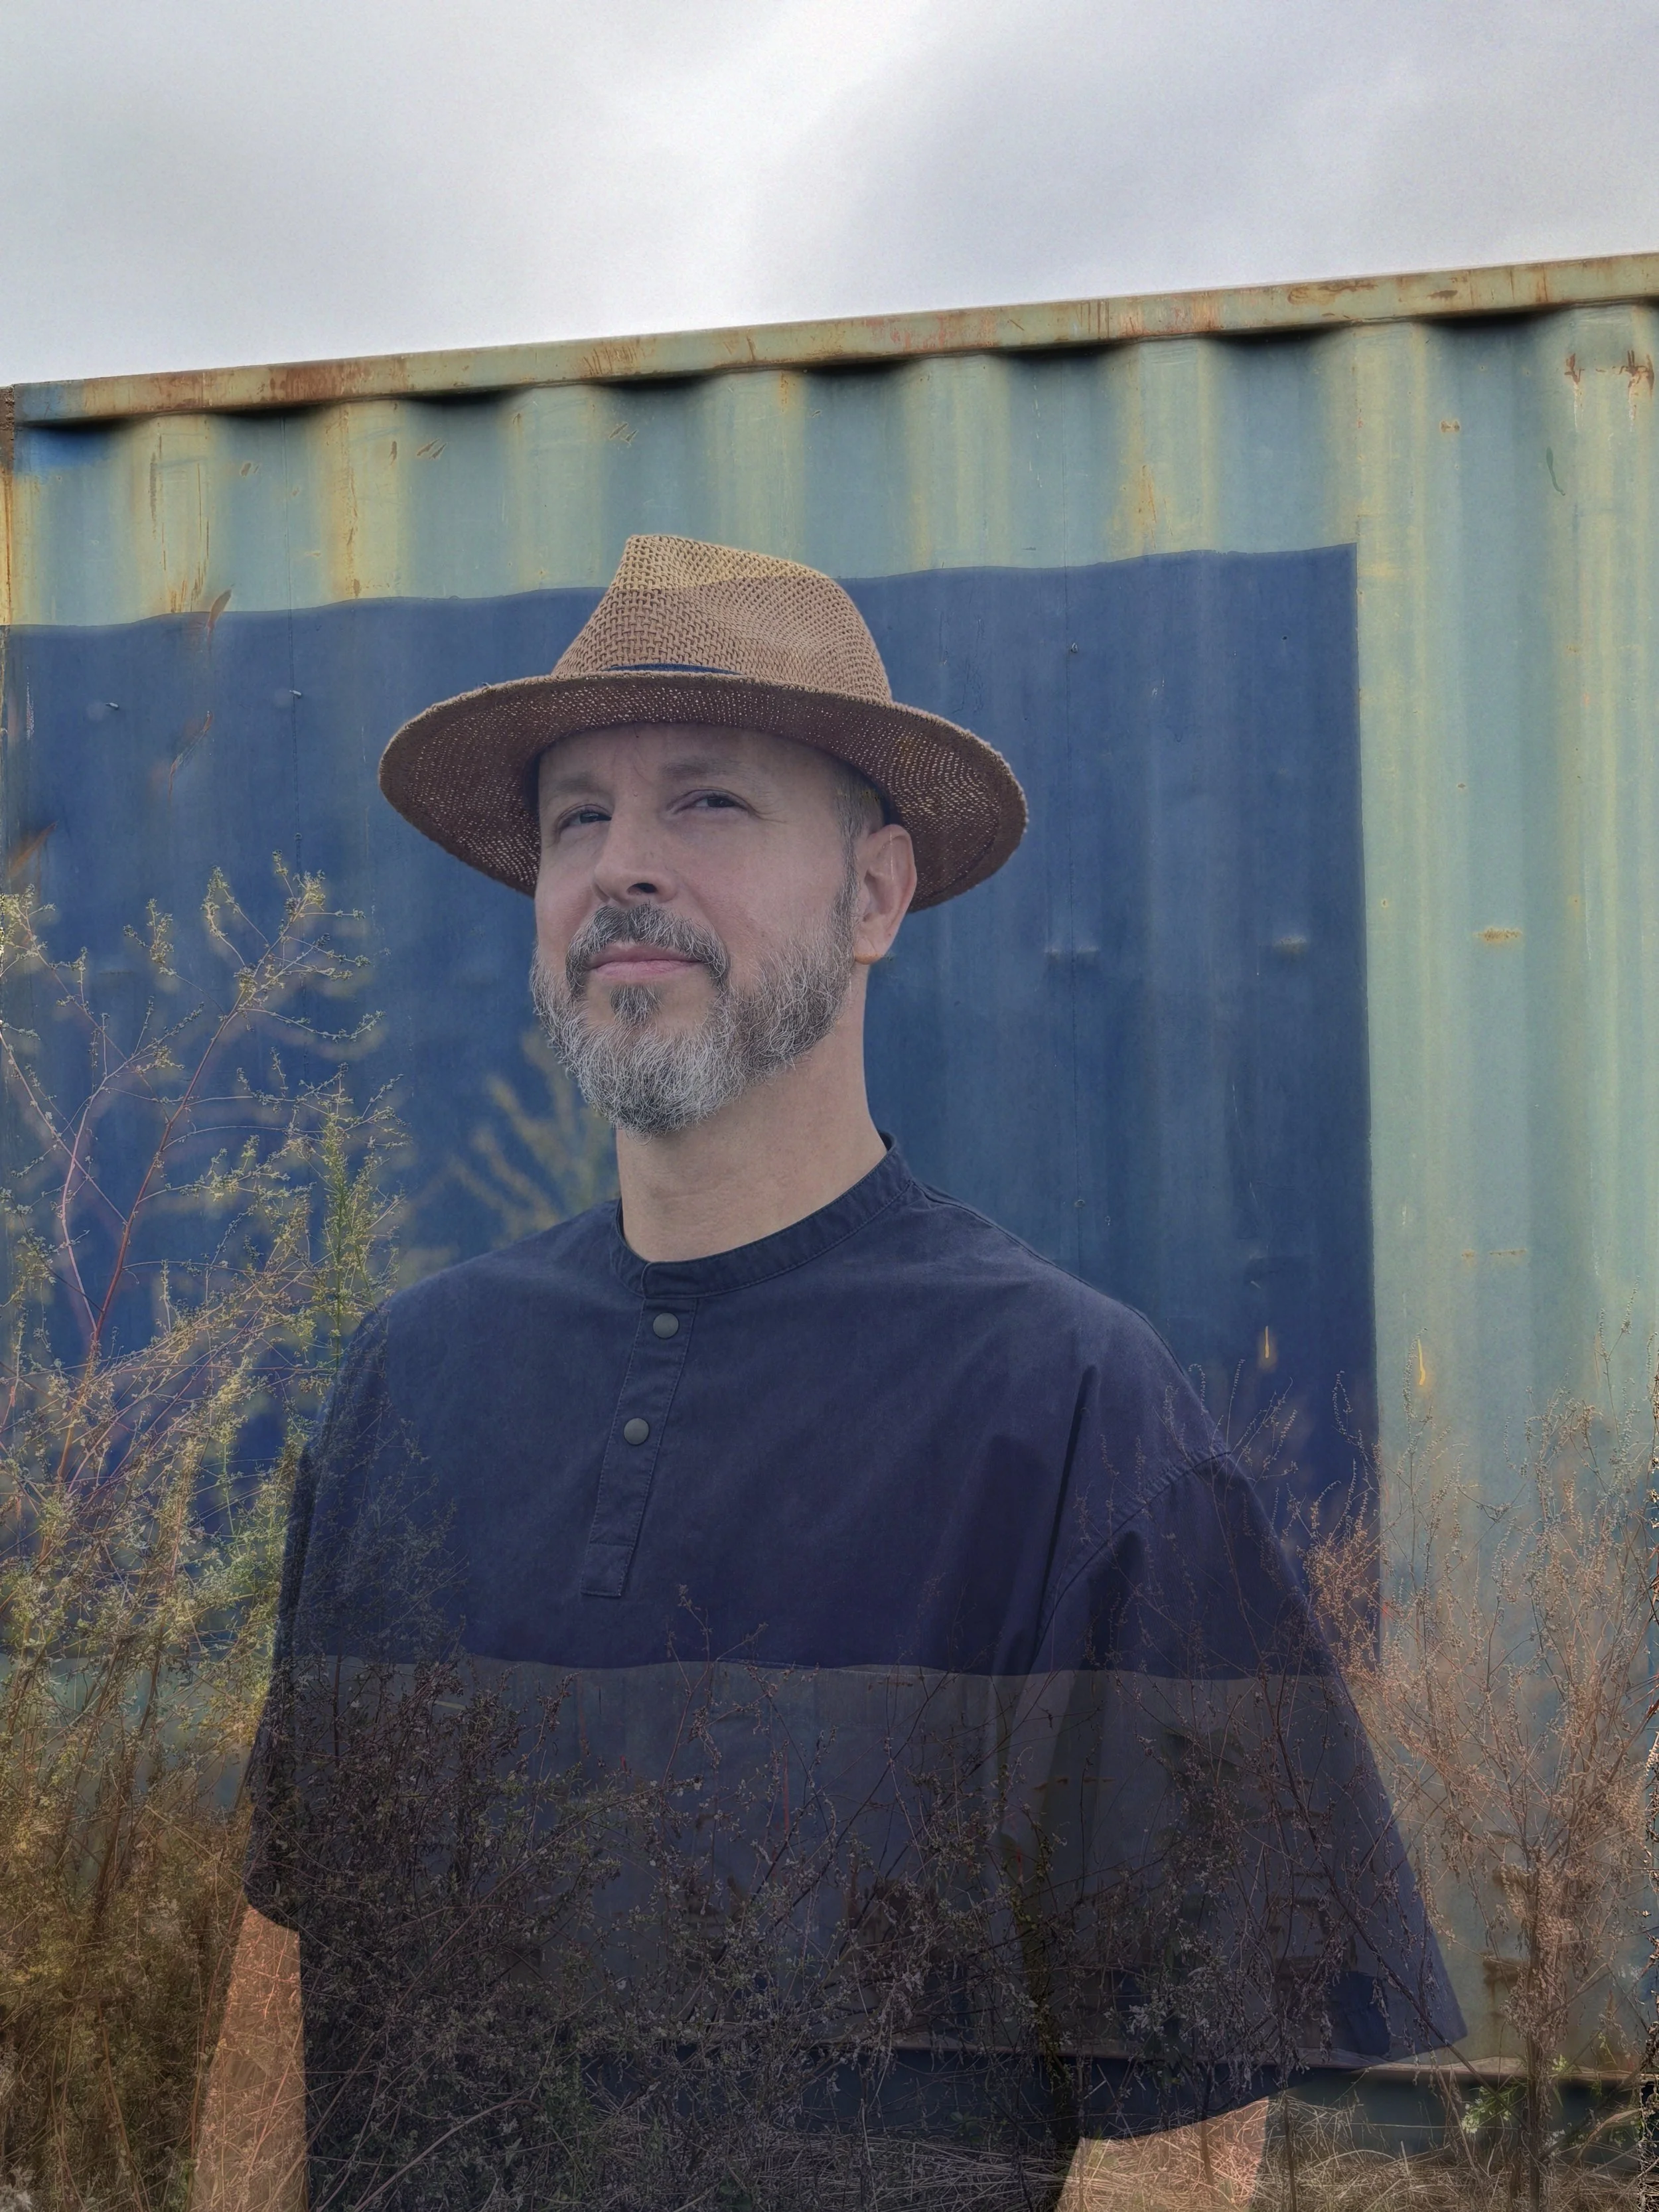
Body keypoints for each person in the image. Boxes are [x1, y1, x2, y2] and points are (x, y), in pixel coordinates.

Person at [196, 534, 1461, 2211]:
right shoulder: (409, 1384)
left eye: (706, 803)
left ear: (875, 894)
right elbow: (284, 1966)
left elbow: (1175, 2134)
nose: (621, 867)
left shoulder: (1073, 1414)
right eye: (579, 816)